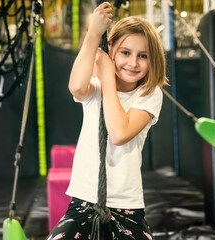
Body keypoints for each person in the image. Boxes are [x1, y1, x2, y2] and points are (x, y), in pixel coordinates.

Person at [47, 2, 167, 239]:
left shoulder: (149, 94)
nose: (133, 63)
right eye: (125, 52)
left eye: (143, 56)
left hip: (126, 204)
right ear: (110, 49)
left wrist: (107, 77)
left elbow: (119, 133)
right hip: (85, 198)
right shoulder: (96, 86)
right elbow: (77, 87)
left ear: (153, 60)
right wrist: (94, 33)